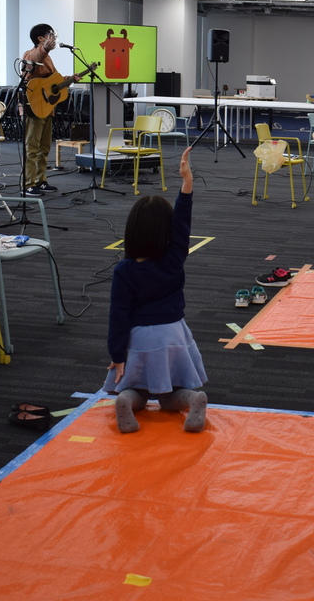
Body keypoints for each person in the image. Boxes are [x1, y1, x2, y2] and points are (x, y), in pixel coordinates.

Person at [103, 147, 208, 434]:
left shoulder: (124, 270)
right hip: (174, 334)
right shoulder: (174, 259)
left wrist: (117, 354)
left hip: (141, 338)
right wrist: (187, 182)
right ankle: (192, 399)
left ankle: (126, 400)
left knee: (136, 388)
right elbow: (182, 225)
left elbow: (118, 315)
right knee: (169, 395)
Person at [21, 23, 75, 197]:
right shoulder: (30, 53)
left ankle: (41, 180)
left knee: (44, 147)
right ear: (40, 38)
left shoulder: (49, 59)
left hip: (47, 108)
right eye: (49, 34)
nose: (53, 37)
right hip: (34, 107)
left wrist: (70, 79)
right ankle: (28, 184)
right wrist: (44, 49)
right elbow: (36, 57)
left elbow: (54, 81)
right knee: (32, 147)